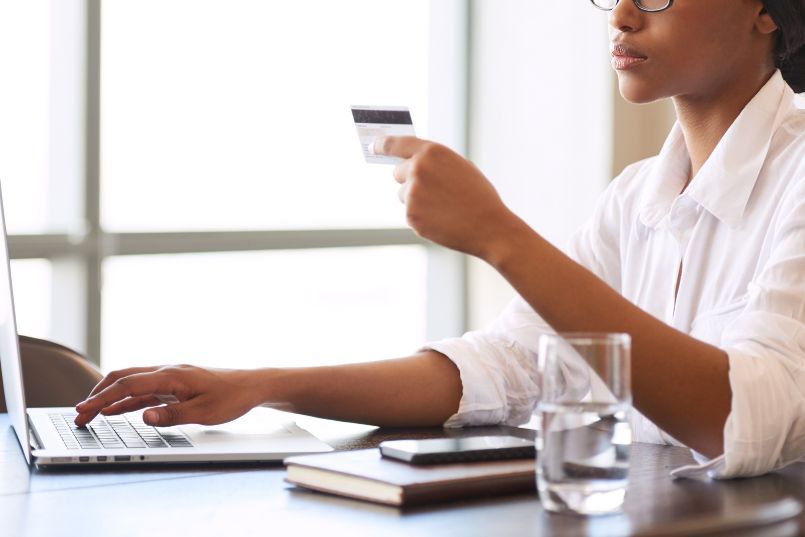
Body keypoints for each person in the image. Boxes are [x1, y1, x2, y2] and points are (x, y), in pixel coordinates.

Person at [74, 0, 805, 478]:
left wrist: (496, 233)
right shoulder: (635, 197)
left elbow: (743, 416)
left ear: (762, 10)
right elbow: (509, 366)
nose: (618, 15)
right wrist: (262, 385)